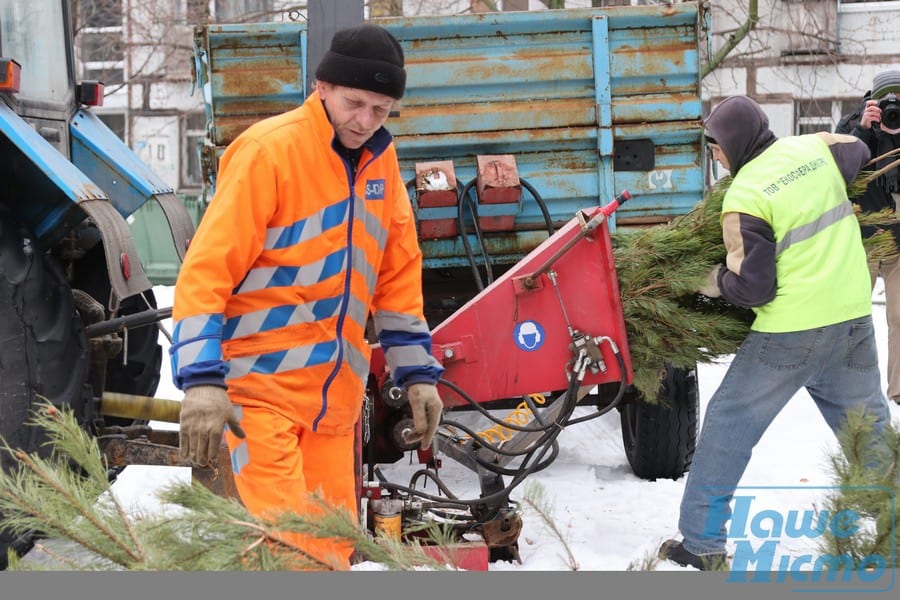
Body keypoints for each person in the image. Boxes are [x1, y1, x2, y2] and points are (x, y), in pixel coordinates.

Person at [169, 23, 445, 570]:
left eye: (381, 110)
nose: (364, 121)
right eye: (354, 103)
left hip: (333, 411)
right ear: (322, 86)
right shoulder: (268, 152)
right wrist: (201, 382)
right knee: (284, 555)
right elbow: (206, 271)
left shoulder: (380, 165)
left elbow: (397, 275)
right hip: (258, 401)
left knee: (330, 557)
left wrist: (417, 375)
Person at [658, 95, 893, 570]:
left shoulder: (744, 196)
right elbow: (859, 150)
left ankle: (701, 544)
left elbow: (753, 289)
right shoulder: (812, 150)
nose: (716, 157)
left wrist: (710, 278)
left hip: (790, 332)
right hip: (850, 317)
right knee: (869, 434)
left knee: (728, 427)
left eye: (717, 147)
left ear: (736, 142)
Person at [836, 69, 900, 404]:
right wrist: (864, 130)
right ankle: (851, 389)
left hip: (899, 243)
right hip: (862, 241)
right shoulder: (851, 126)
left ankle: (899, 389)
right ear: (874, 100)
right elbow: (839, 169)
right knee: (853, 317)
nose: (894, 109)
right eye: (890, 101)